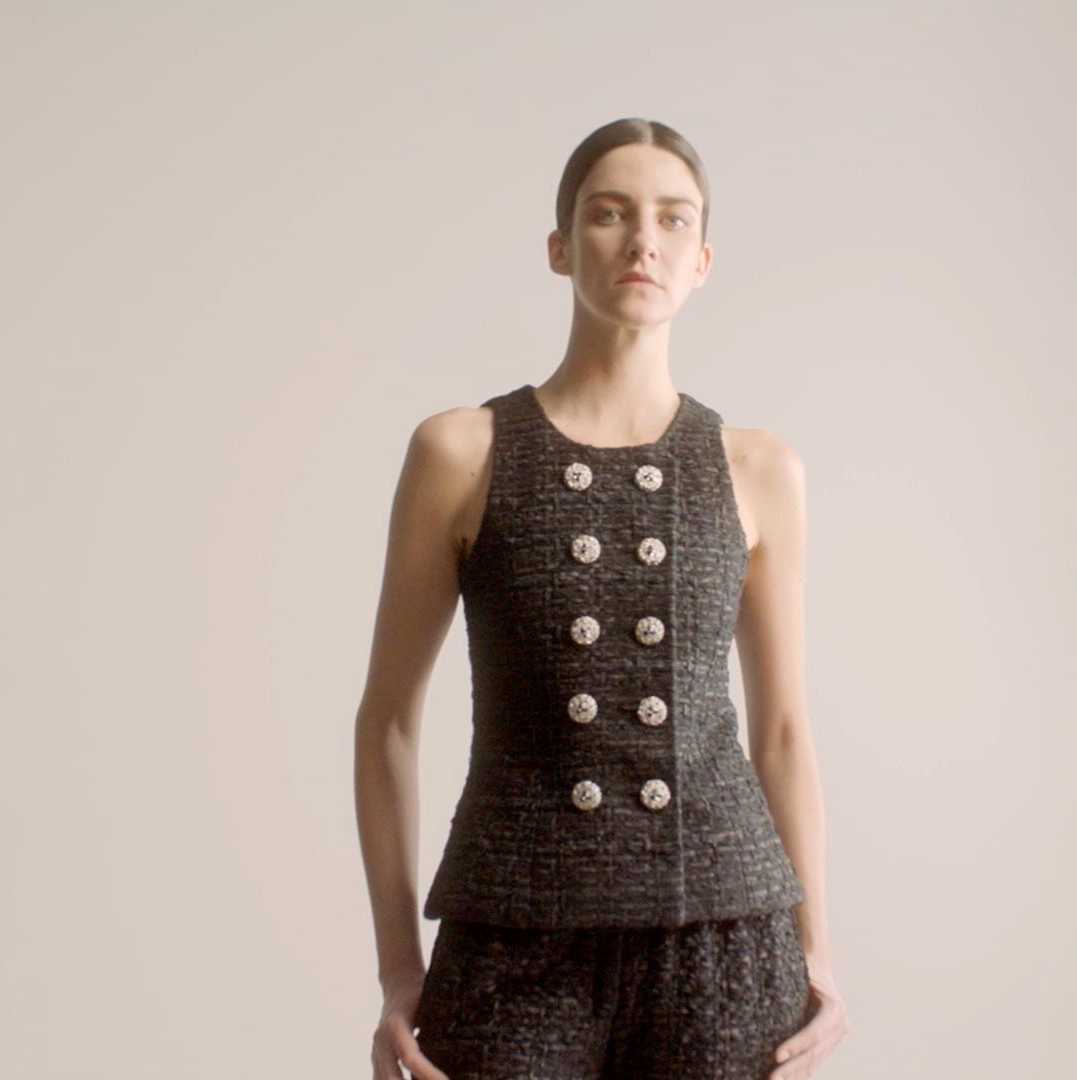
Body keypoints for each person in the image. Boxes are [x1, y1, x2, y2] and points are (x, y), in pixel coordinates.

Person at [355, 118, 850, 1079]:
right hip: (514, 932)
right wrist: (398, 969)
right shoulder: (461, 452)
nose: (642, 241)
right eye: (610, 214)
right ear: (560, 247)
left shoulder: (758, 468)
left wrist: (817, 954)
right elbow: (387, 722)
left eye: (673, 219)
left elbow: (784, 731)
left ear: (702, 261)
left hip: (725, 936)